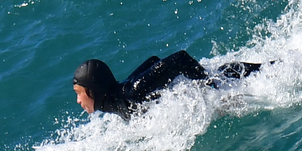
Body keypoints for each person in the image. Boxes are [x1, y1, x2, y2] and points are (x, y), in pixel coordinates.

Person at [72, 51, 263, 118]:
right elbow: (153, 61)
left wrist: (213, 90)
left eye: (79, 93)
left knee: (271, 69)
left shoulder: (131, 93)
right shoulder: (114, 101)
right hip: (221, 76)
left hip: (230, 77)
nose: (78, 100)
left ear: (93, 91)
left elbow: (180, 59)